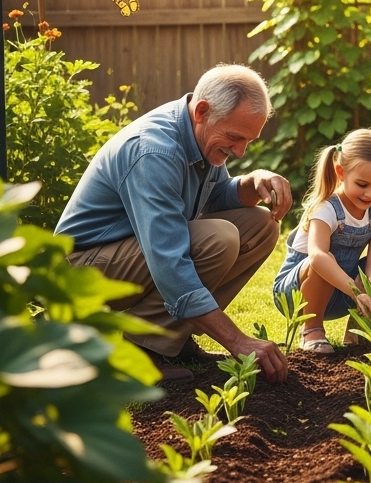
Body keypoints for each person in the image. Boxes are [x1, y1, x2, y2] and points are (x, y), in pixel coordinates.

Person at [56, 64, 293, 383]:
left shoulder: (198, 133)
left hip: (126, 258)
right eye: (235, 138)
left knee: (262, 226)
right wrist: (237, 341)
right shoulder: (154, 151)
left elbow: (214, 195)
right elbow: (168, 260)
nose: (239, 152)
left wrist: (253, 181)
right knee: (219, 238)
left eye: (248, 141)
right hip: (81, 271)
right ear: (203, 111)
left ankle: (173, 340)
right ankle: (140, 349)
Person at [273, 128, 371, 354]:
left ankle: (360, 328)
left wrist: (367, 293)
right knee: (324, 260)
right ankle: (312, 330)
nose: (370, 194)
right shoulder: (326, 208)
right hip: (297, 295)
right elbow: (317, 256)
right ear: (341, 172)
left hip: (343, 292)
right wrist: (354, 290)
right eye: (362, 184)